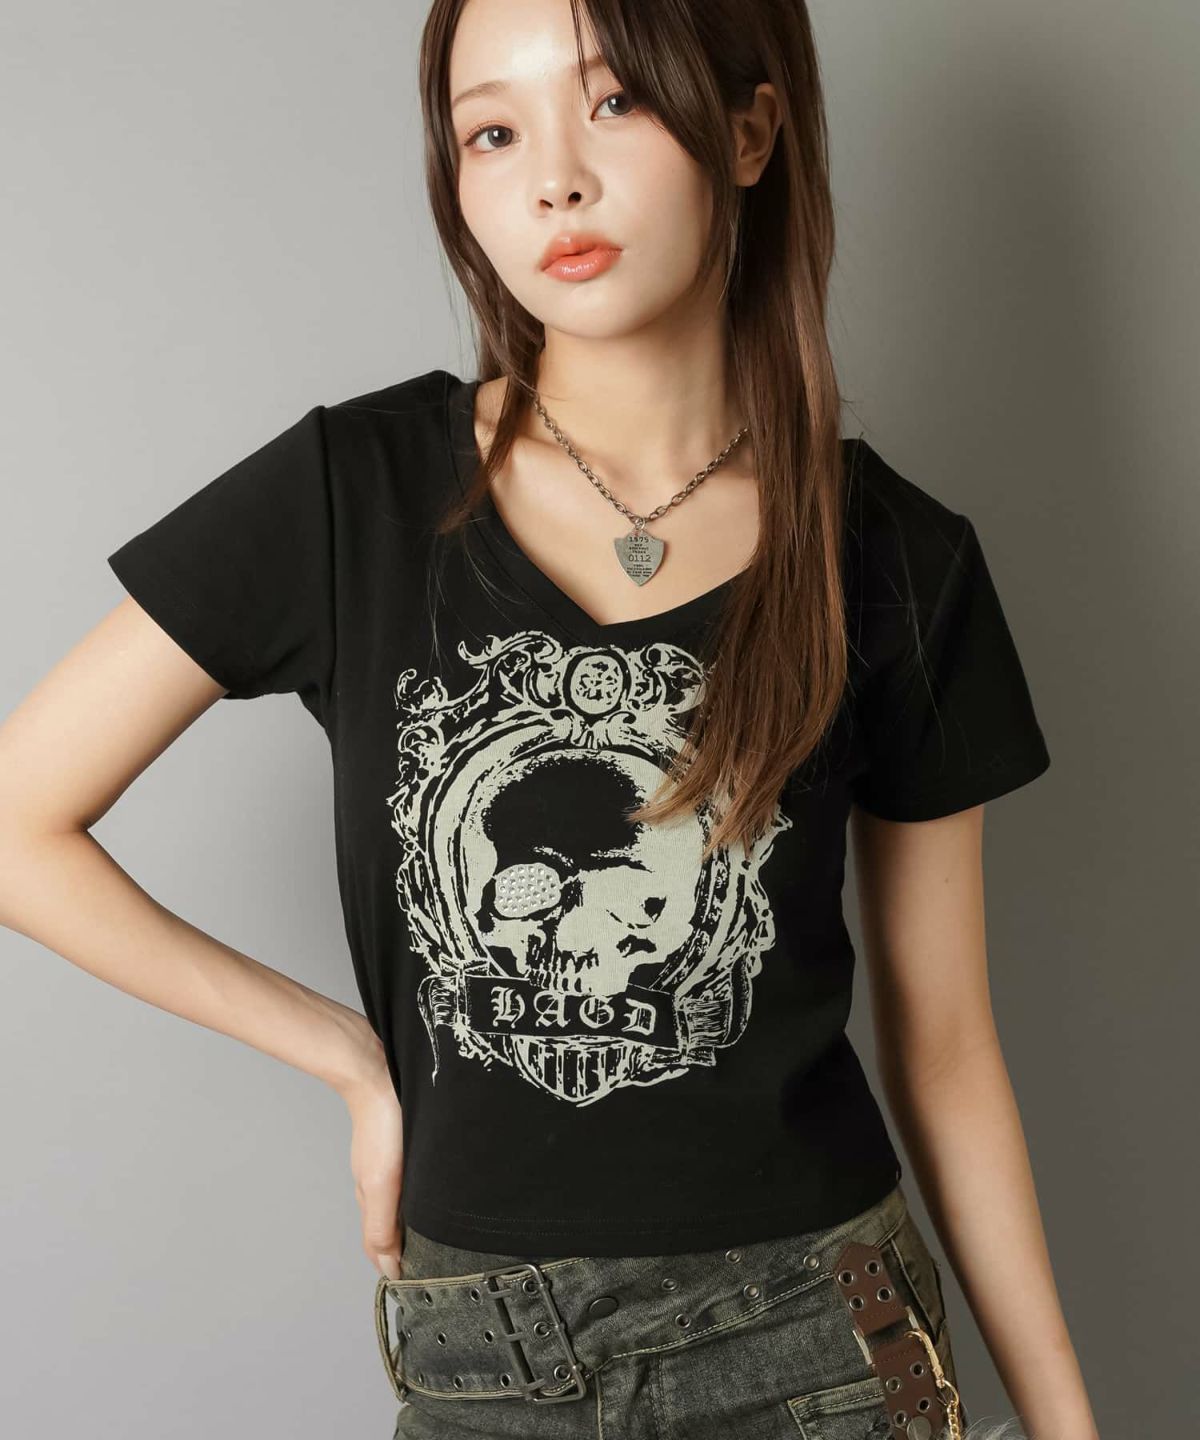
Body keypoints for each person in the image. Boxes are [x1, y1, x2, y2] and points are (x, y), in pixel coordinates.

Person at [0, 1, 1099, 1437]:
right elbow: (17, 823)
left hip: (822, 1342)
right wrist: (349, 1057)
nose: (554, 181)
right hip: (487, 1361)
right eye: (493, 133)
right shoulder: (355, 494)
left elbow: (945, 1053)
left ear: (750, 130)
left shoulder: (893, 555)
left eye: (615, 102)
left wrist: (1066, 1423)